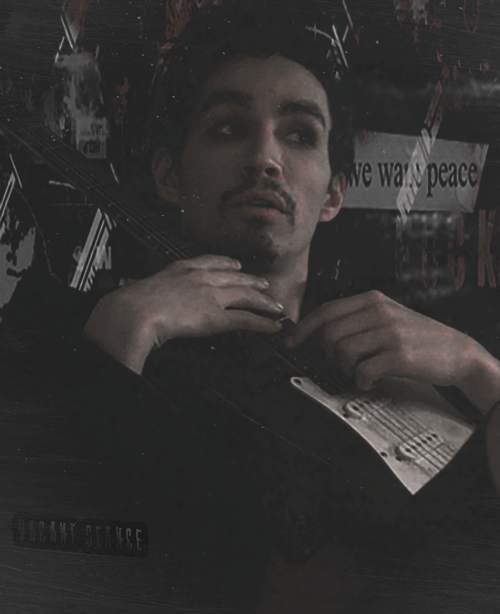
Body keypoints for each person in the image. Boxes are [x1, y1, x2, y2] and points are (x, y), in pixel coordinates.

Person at [57, 0, 500, 610]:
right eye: (227, 128)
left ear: (334, 193)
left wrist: (479, 368)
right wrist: (124, 332)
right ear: (169, 174)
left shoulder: (418, 353)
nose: (265, 159)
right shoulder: (82, 328)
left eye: (300, 135)